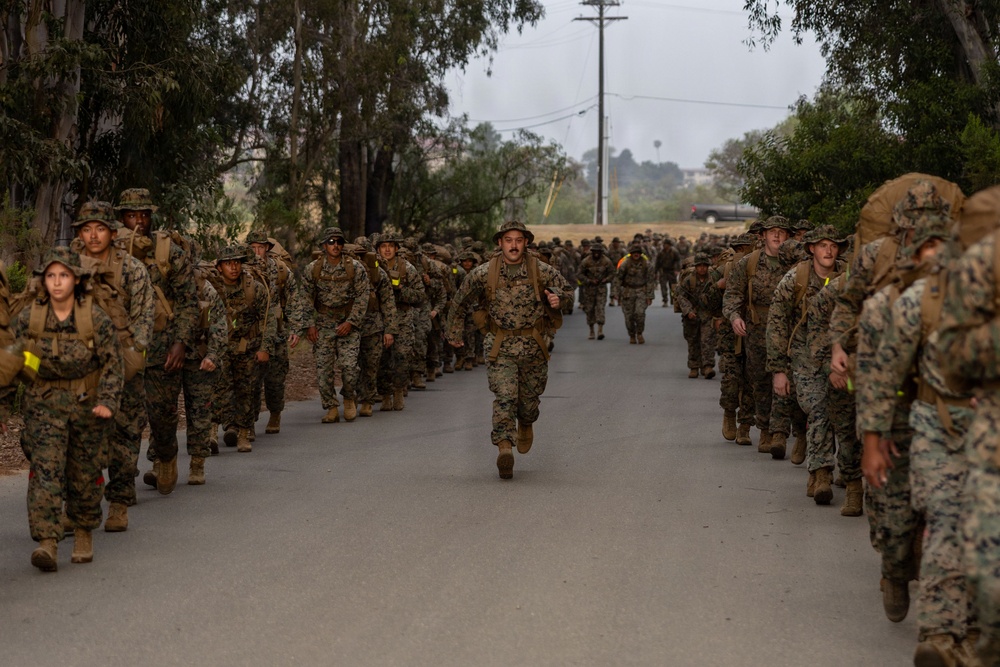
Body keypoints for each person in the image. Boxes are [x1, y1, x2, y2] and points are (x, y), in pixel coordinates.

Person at [17, 247, 123, 571]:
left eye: (63, 275)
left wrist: (107, 401)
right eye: (51, 275)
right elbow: (12, 363)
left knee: (84, 473)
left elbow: (112, 364)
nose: (57, 282)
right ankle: (47, 542)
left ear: (76, 279)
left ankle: (83, 531)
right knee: (45, 471)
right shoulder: (31, 318)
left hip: (86, 405)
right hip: (44, 404)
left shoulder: (94, 317)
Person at [447, 220, 567, 479]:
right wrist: (454, 331)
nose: (514, 245)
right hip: (499, 346)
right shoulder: (484, 272)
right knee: (505, 397)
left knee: (528, 403)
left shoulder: (540, 269)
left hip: (534, 345)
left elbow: (567, 291)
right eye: (509, 240)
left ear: (526, 243)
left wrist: (559, 299)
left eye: (519, 240)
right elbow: (459, 301)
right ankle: (504, 449)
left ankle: (526, 422)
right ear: (500, 243)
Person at [71, 201, 153, 531]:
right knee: (79, 436)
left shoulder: (132, 269)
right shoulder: (67, 266)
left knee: (125, 434)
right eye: (86, 229)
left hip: (122, 363)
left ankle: (119, 501)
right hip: (80, 365)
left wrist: (131, 359)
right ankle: (77, 505)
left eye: (100, 229)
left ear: (113, 233)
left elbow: (144, 318)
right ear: (79, 233)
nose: (93, 235)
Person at [115, 187, 198, 496]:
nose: (138, 222)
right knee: (125, 421)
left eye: (144, 215)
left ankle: (166, 455)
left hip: (162, 349)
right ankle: (123, 484)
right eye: (131, 215)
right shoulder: (110, 252)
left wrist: (181, 342)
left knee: (161, 415)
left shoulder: (168, 253)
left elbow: (188, 302)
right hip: (122, 349)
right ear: (122, 218)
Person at [723, 215, 793, 454]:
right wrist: (735, 317)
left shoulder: (795, 265)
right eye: (772, 231)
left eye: (782, 232)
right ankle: (765, 430)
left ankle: (779, 433)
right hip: (756, 330)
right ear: (763, 235)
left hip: (788, 330)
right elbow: (732, 295)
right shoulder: (749, 263)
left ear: (788, 236)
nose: (777, 235)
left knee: (786, 378)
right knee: (761, 382)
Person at [296, 227, 370, 423]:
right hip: (323, 324)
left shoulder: (355, 268)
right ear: (324, 246)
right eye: (331, 242)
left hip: (348, 323)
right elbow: (305, 298)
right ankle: (331, 407)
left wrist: (351, 322)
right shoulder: (313, 269)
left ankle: (349, 398)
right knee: (324, 370)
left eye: (339, 242)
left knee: (350, 367)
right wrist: (309, 325)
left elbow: (363, 297)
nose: (335, 245)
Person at [213, 245, 276, 451]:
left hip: (247, 347)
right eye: (228, 263)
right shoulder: (212, 289)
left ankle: (243, 432)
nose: (233, 267)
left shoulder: (254, 288)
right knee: (218, 390)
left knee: (246, 391)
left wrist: (265, 348)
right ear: (219, 267)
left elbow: (268, 320)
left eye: (237, 263)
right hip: (220, 347)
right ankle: (216, 429)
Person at [246, 230, 300, 435]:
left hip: (276, 333)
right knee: (250, 381)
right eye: (253, 248)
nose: (257, 252)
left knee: (275, 380)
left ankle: (275, 414)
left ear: (267, 248)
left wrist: (295, 328)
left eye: (260, 247)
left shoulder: (279, 269)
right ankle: (248, 423)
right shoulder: (241, 270)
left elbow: (293, 299)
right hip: (250, 334)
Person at [677, 253, 716, 377]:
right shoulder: (689, 280)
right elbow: (681, 297)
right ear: (696, 267)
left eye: (705, 265)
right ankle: (694, 367)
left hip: (707, 314)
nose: (702, 268)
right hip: (692, 316)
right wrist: (688, 311)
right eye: (699, 266)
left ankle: (708, 366)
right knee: (693, 341)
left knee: (707, 340)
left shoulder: (713, 279)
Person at [616, 243, 655, 344]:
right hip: (628, 292)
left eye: (638, 252)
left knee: (640, 313)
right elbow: (618, 279)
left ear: (641, 254)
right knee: (629, 316)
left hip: (641, 291)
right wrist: (616, 293)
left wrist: (650, 296)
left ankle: (639, 333)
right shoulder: (625, 264)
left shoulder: (647, 264)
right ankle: (632, 334)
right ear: (631, 253)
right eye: (634, 252)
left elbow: (650, 281)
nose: (636, 254)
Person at [577, 241, 614, 340]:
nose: (596, 253)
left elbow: (612, 273)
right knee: (589, 310)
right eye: (595, 251)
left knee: (600, 308)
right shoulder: (586, 261)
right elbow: (579, 274)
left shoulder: (606, 261)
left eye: (598, 251)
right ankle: (591, 330)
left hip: (601, 289)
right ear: (592, 252)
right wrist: (589, 281)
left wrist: (606, 279)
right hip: (589, 289)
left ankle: (600, 330)